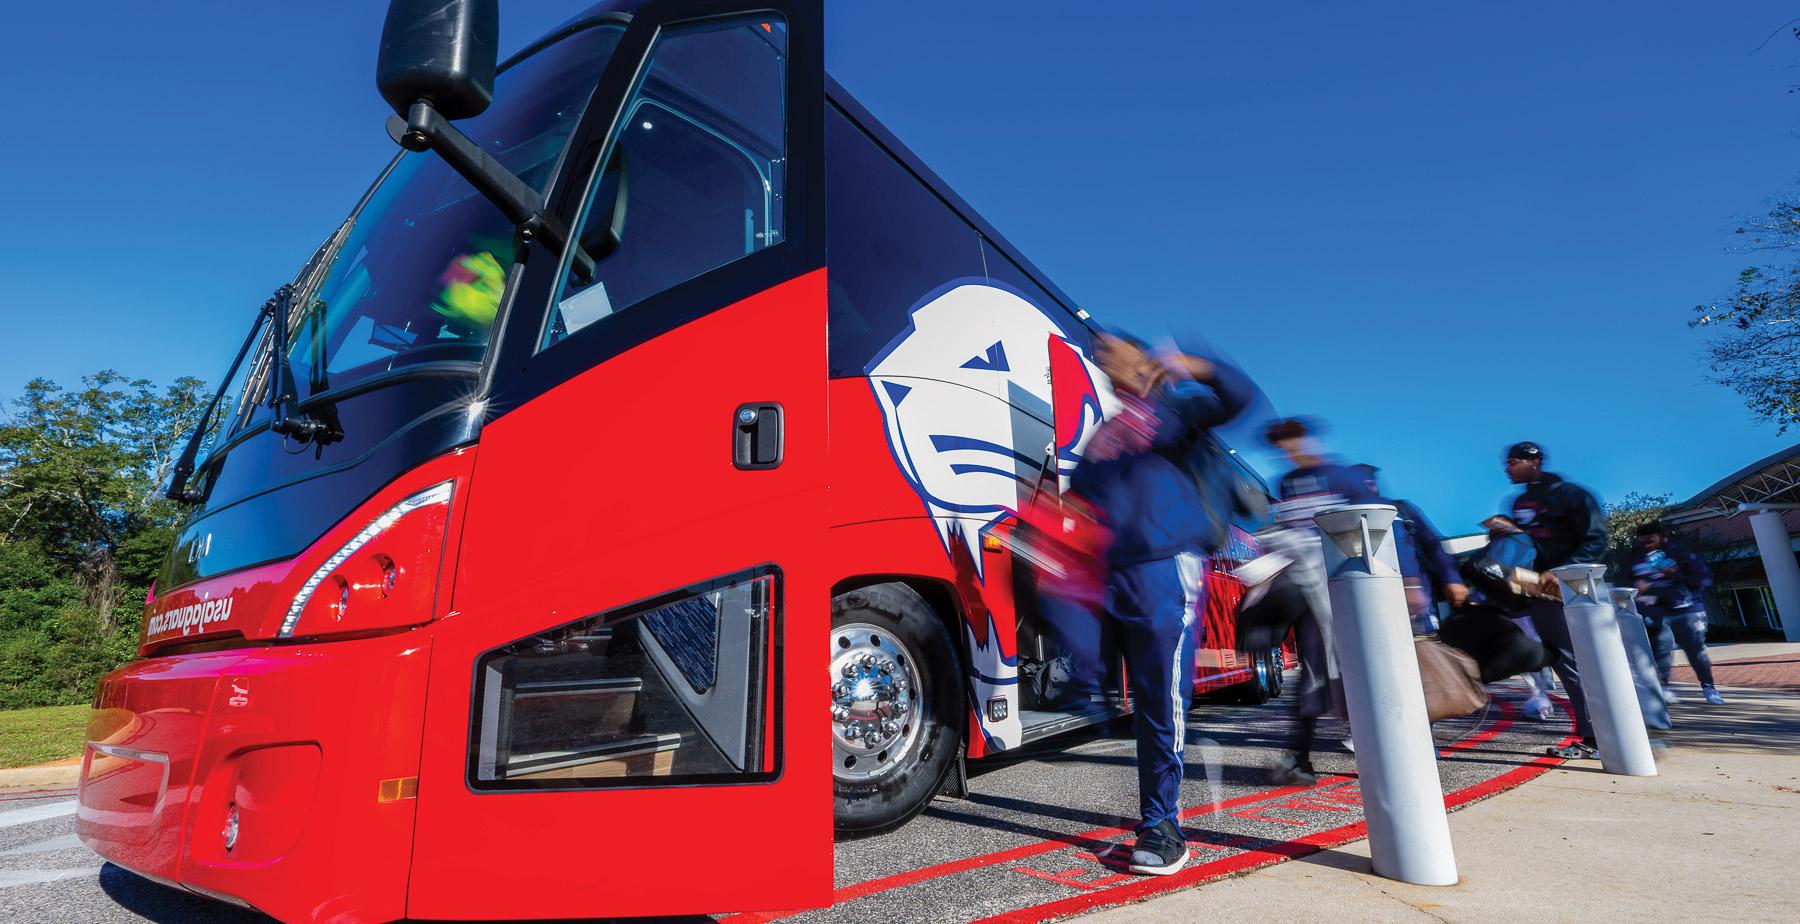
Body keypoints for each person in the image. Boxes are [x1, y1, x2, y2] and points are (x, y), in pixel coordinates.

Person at [1070, 331, 1254, 876]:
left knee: (1161, 694)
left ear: (1138, 354)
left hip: (1165, 567)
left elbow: (1240, 400)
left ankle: (1163, 823)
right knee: (1129, 695)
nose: (1103, 359)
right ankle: (1158, 810)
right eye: (1097, 354)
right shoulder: (1101, 437)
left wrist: (1193, 364)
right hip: (1113, 576)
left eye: (1111, 349)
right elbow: (1081, 505)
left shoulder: (1173, 410)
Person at [1259, 417, 1372, 784]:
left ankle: (1382, 747)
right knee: (1312, 673)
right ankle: (1299, 757)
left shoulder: (1342, 477)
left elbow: (1374, 526)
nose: (1288, 451)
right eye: (1281, 446)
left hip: (1347, 590)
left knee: (1360, 670)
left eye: (1292, 441)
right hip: (1310, 594)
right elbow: (1287, 531)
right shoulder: (1286, 483)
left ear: (1307, 439)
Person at [1502, 441, 1608, 759]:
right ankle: (1594, 734)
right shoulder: (1518, 501)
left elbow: (1595, 539)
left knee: (1586, 661)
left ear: (1534, 461)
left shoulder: (1572, 495)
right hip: (1539, 593)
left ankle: (1599, 737)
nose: (1507, 469)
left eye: (1513, 462)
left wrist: (1561, 570)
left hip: (1575, 588)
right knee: (1566, 661)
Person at [1353, 463, 1468, 634]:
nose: (1369, 487)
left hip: (1419, 603)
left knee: (1426, 648)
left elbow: (1434, 546)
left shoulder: (1402, 510)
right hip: (1369, 604)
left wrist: (1452, 579)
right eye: (1363, 483)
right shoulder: (1343, 517)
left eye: (1371, 482)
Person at [1630, 522, 1724, 705]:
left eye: (1651, 537)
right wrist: (1637, 590)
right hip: (1657, 613)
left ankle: (1709, 688)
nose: (1646, 541)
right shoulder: (1635, 558)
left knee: (1695, 652)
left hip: (1687, 611)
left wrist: (1674, 574)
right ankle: (1663, 689)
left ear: (1661, 536)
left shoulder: (1681, 553)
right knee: (1661, 651)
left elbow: (1701, 581)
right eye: (1642, 537)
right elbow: (1630, 583)